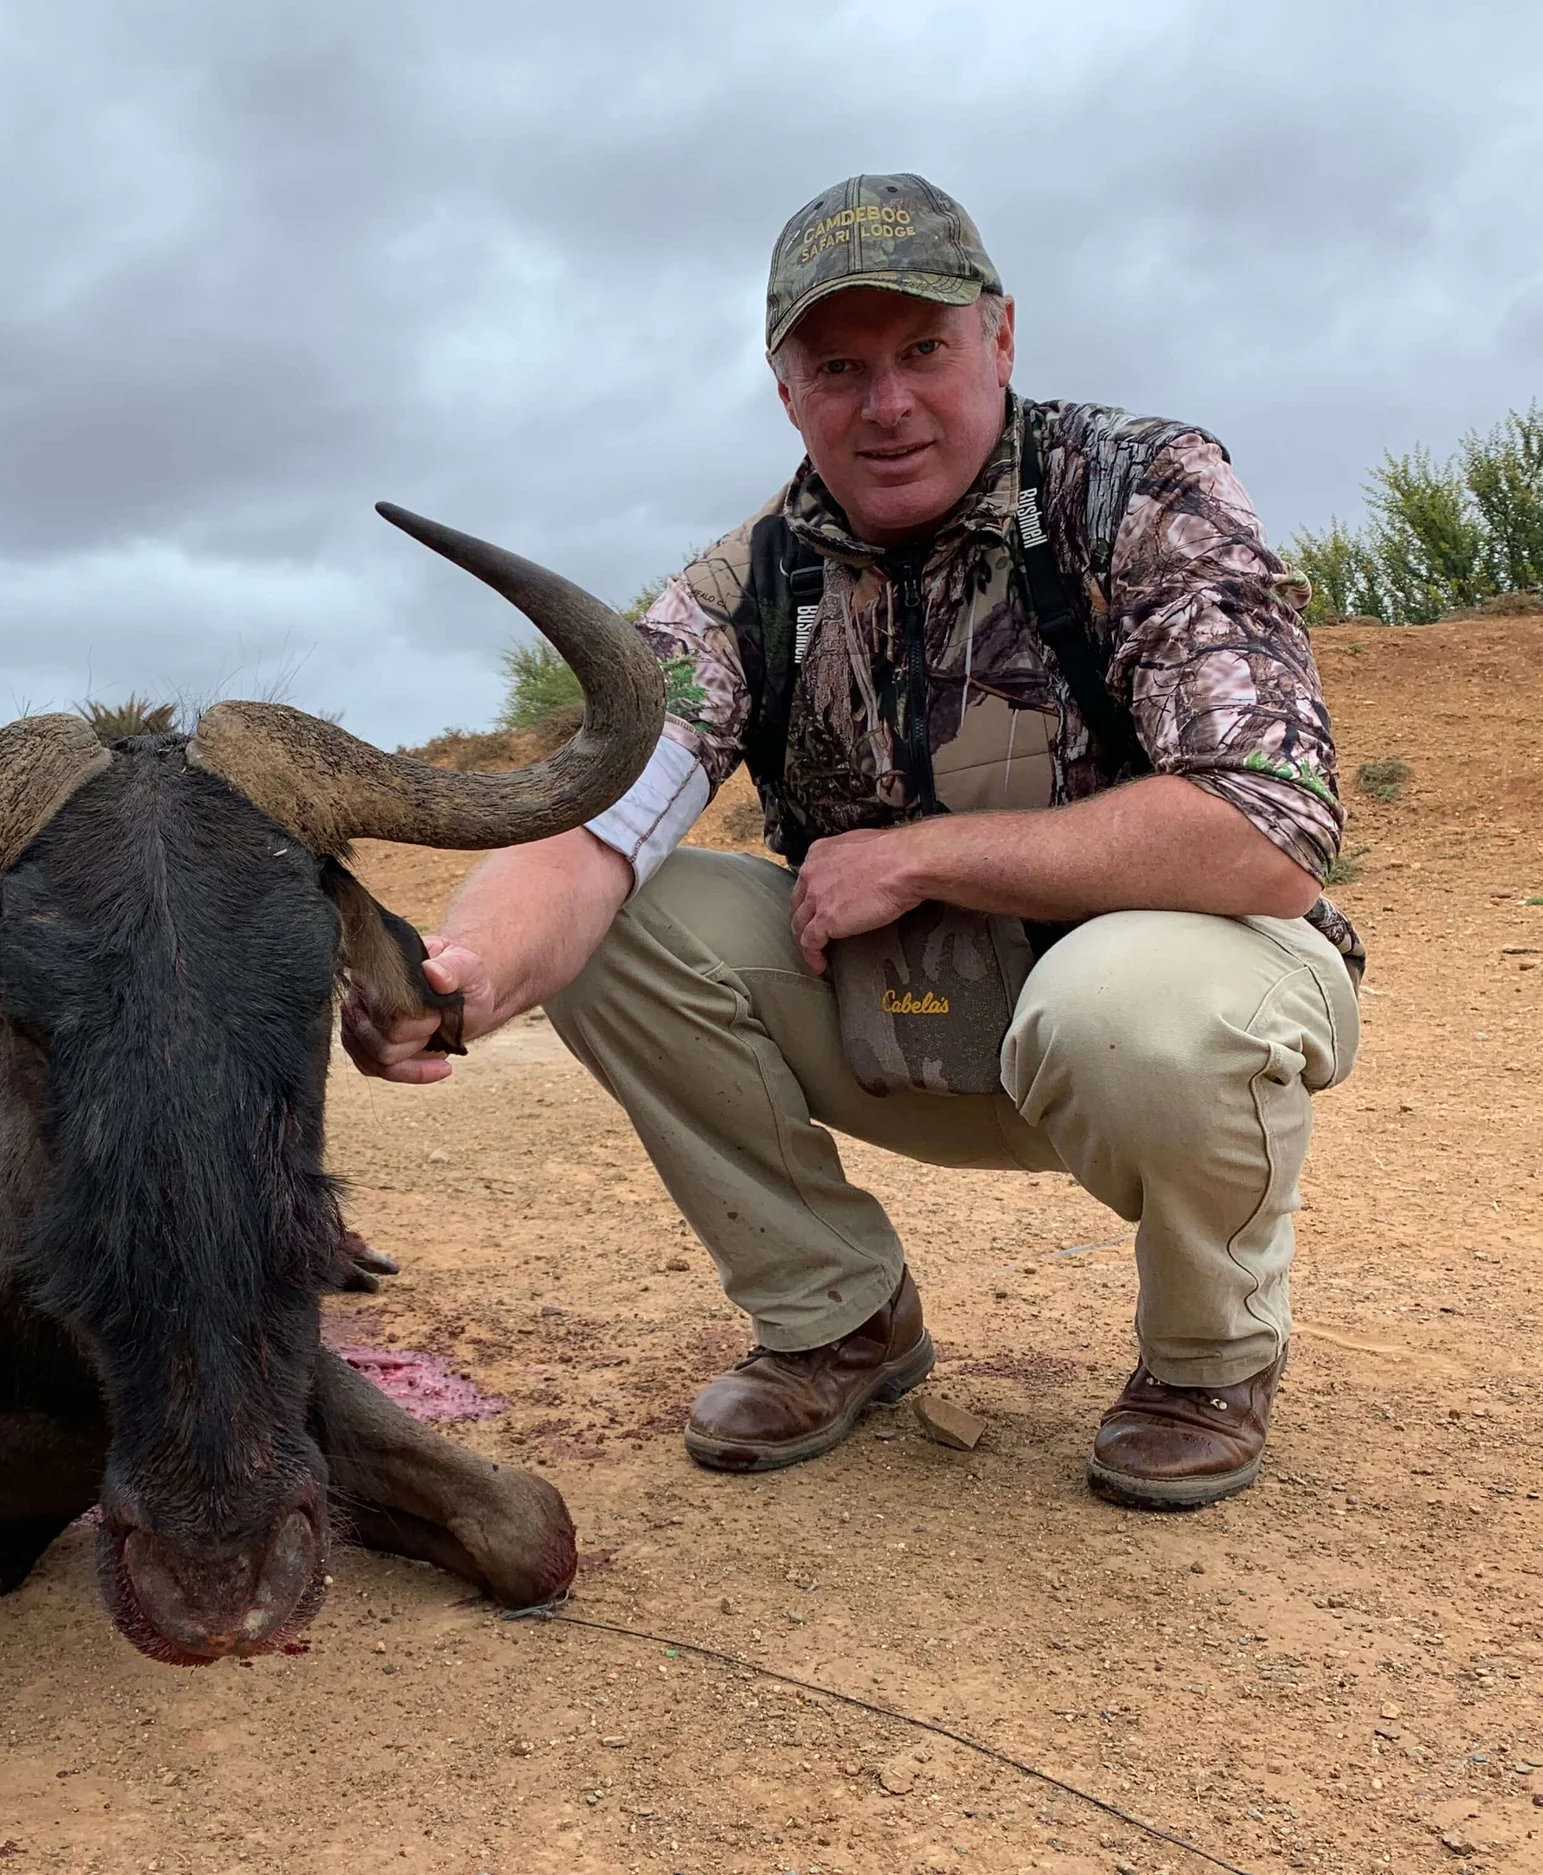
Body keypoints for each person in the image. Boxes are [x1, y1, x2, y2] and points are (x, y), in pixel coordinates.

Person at [343, 173, 1361, 1511]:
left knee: (1131, 1008)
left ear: (1000, 337)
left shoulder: (1145, 487)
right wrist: (462, 968)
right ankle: (839, 1318)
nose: (886, 404)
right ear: (786, 390)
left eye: (924, 350)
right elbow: (599, 817)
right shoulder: (747, 583)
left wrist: (924, 852)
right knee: (619, 920)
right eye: (840, 366)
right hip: (917, 1022)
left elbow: (1267, 831)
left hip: (1160, 1018)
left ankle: (1205, 1359)